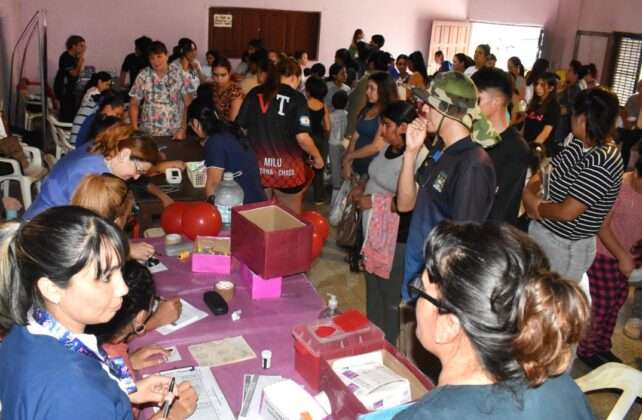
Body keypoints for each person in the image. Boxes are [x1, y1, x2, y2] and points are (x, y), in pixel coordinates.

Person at [394, 221, 593, 419]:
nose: (416, 301)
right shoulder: (563, 387)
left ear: (449, 326)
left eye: (422, 288)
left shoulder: (425, 416)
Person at [0, 206, 185, 419]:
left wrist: (120, 394)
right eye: (105, 277)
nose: (123, 288)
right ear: (52, 289)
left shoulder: (22, 332)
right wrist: (169, 417)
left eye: (120, 270)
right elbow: (75, 400)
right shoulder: (76, 394)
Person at [396, 71, 497, 301]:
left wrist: (439, 298)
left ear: (447, 110)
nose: (423, 109)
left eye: (430, 105)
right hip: (417, 274)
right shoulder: (441, 149)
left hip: (436, 288)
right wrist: (410, 153)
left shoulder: (472, 164)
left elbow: (463, 245)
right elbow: (404, 205)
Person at [523, 88, 624, 282]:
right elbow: (546, 171)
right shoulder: (579, 143)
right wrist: (530, 191)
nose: (570, 118)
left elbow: (567, 212)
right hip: (545, 233)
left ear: (582, 119)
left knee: (550, 298)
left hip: (565, 247)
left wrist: (535, 206)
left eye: (572, 114)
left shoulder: (604, 161)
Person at [351, 101, 426, 344]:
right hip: (372, 233)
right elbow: (374, 173)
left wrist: (372, 201)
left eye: (387, 125)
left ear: (403, 127)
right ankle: (371, 339)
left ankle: (389, 347)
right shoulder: (388, 147)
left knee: (389, 297)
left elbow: (409, 201)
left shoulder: (418, 157)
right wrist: (361, 186)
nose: (381, 131)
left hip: (396, 239)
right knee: (372, 289)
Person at [86, 260, 197, 419]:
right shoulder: (93, 375)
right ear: (140, 317)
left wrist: (126, 364)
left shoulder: (92, 346)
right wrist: (171, 415)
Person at [71, 174, 184, 327]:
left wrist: (126, 250)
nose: (122, 289)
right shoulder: (92, 272)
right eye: (130, 214)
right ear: (117, 222)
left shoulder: (74, 240)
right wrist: (156, 321)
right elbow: (105, 334)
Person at [576, 152, 642, 368]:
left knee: (616, 302)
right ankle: (586, 348)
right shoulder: (618, 187)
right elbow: (601, 226)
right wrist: (622, 256)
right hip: (604, 255)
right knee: (600, 305)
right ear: (637, 173)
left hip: (630, 257)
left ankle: (601, 345)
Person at [235, 58, 324, 213]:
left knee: (260, 217)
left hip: (258, 167)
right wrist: (317, 157)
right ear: (295, 77)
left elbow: (239, 128)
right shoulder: (297, 98)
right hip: (288, 170)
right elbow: (302, 138)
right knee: (289, 219)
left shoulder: (255, 93)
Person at [24, 123, 160, 219]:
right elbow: (89, 226)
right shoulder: (94, 173)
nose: (136, 177)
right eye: (139, 170)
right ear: (124, 155)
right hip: (44, 229)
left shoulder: (99, 148)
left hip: (48, 217)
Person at [473, 68, 530, 226]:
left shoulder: (516, 149)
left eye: (477, 100)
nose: (471, 106)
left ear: (496, 101)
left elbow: (501, 209)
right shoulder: (471, 135)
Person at [187, 93, 265, 204]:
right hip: (257, 198)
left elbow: (213, 184)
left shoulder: (215, 141)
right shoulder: (231, 129)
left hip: (243, 204)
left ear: (195, 122)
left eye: (191, 125)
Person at [129, 41, 195, 140]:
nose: (155, 61)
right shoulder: (143, 75)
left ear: (167, 56)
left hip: (174, 133)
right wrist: (135, 129)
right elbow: (134, 103)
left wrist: (183, 129)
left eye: (159, 56)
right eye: (152, 58)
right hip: (148, 133)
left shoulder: (180, 74)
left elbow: (188, 104)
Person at [343, 72, 399, 179]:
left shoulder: (388, 115)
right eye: (367, 88)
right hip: (356, 164)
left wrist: (349, 157)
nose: (367, 92)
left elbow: (376, 146)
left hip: (371, 170)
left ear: (383, 90)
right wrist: (348, 161)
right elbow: (354, 137)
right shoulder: (367, 109)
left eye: (372, 88)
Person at [346, 50, 389, 138]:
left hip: (360, 127)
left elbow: (350, 98)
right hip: (382, 131)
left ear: (371, 64)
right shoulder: (390, 81)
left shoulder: (368, 79)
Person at [306, 77, 331, 204]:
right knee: (319, 168)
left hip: (305, 137)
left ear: (309, 90)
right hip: (319, 137)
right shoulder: (323, 106)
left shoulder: (304, 103)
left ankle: (301, 193)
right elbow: (327, 126)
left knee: (303, 165)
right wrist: (325, 137)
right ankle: (318, 198)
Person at [523, 72, 561, 156]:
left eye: (542, 85)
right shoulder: (535, 103)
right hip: (527, 146)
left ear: (551, 88)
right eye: (537, 84)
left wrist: (532, 150)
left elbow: (545, 133)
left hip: (540, 151)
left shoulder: (553, 107)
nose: (537, 87)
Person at [70, 71, 112, 144]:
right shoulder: (95, 95)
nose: (108, 87)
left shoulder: (91, 90)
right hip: (79, 139)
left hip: (76, 133)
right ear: (99, 82)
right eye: (107, 84)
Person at [53, 35, 86, 122]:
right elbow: (74, 74)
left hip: (70, 89)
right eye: (81, 46)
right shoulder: (66, 57)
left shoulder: (74, 57)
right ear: (73, 46)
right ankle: (65, 127)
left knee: (73, 110)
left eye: (84, 46)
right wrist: (80, 62)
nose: (84, 48)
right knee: (67, 113)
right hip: (63, 89)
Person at [556, 60, 587, 146]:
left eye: (569, 71)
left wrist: (559, 108)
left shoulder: (574, 89)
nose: (567, 73)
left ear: (576, 75)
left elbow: (571, 108)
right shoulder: (567, 87)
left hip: (562, 127)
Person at [328, 90, 349, 199]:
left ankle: (336, 189)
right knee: (342, 163)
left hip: (333, 143)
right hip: (343, 142)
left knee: (335, 165)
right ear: (346, 103)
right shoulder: (346, 114)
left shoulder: (330, 116)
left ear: (333, 102)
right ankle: (342, 184)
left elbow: (328, 129)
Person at [212, 56, 244, 122]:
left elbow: (233, 121)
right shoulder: (213, 87)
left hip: (229, 127)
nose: (219, 79)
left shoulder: (235, 91)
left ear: (229, 73)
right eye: (215, 75)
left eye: (223, 75)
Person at [620, 79, 642, 168]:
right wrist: (625, 121)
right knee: (617, 134)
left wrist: (635, 123)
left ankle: (623, 167)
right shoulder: (632, 98)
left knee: (626, 143)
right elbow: (625, 111)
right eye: (640, 86)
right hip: (628, 125)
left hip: (639, 128)